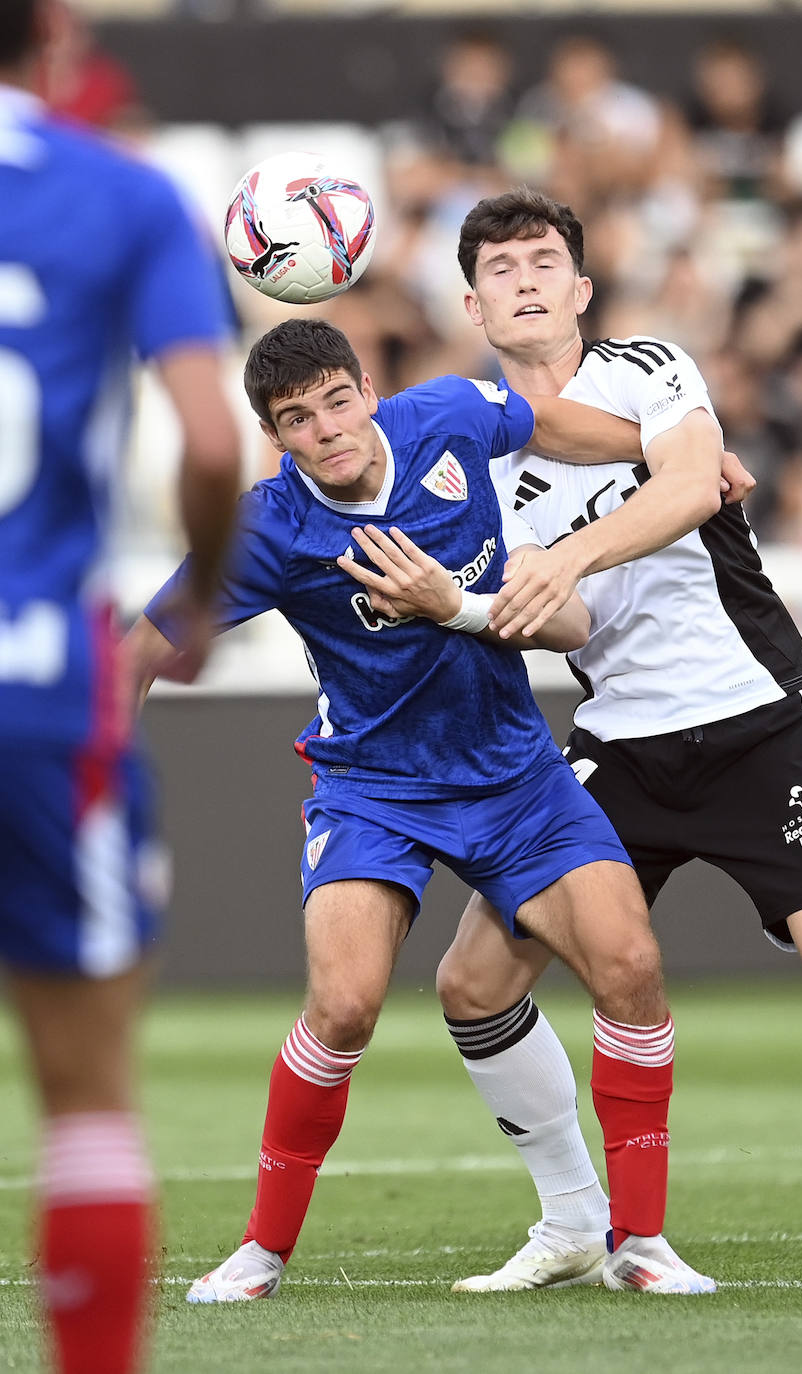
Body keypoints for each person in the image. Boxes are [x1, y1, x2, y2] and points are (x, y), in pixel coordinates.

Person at [128, 316, 724, 1301]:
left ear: (366, 389)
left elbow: (551, 424)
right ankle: (262, 1252)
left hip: (513, 772)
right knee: (345, 1002)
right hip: (374, 788)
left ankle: (640, 1245)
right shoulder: (269, 527)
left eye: (335, 401)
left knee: (630, 966)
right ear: (278, 440)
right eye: (297, 420)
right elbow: (144, 646)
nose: (326, 430)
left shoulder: (447, 415)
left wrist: (671, 456)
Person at [433, 187, 802, 1291]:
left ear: (581, 289)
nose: (524, 278)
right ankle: (570, 1218)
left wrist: (569, 555)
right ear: (472, 304)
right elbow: (550, 619)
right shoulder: (470, 463)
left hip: (753, 717)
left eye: (543, 260)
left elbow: (695, 481)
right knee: (472, 982)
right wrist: (471, 596)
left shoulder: (646, 368)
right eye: (500, 267)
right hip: (618, 744)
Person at [0, 3, 242, 1371]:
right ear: (57, 35)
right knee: (86, 1098)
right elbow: (212, 442)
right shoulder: (123, 194)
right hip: (40, 686)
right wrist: (199, 599)